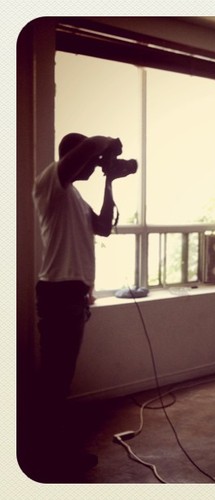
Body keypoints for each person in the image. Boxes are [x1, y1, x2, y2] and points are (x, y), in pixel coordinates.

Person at [31, 133, 124, 480]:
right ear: (72, 158)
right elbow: (88, 148)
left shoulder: (76, 197)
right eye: (90, 162)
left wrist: (110, 182)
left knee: (60, 379)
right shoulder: (51, 183)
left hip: (73, 296)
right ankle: (49, 458)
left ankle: (53, 451)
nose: (94, 166)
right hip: (59, 296)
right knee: (55, 381)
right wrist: (106, 143)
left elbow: (103, 227)